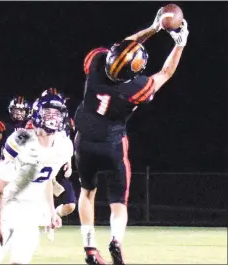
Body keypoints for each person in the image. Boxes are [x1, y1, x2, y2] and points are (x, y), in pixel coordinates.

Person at [74, 7, 189, 265]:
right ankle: (116, 240)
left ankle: (90, 248)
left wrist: (153, 27)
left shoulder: (95, 64)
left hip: (84, 142)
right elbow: (165, 73)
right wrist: (180, 44)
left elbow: (122, 48)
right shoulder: (136, 88)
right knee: (118, 202)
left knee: (87, 193)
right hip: (112, 144)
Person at [0, 90, 73, 264]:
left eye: (57, 114)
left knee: (20, 262)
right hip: (8, 206)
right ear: (38, 114)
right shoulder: (20, 140)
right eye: (48, 113)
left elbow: (46, 180)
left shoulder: (64, 145)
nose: (53, 118)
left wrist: (51, 213)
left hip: (32, 212)